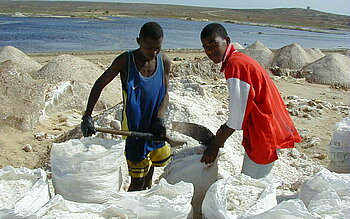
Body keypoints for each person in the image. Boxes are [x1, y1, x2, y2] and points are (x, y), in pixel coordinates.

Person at [199, 23, 302, 179]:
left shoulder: (236, 65)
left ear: (226, 40)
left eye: (214, 44)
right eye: (206, 46)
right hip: (266, 125)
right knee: (256, 182)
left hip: (265, 130)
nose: (210, 50)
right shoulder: (238, 60)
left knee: (251, 183)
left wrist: (214, 145)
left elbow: (236, 118)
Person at [81, 22, 171, 191]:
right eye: (149, 48)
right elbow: (101, 83)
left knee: (150, 170)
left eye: (157, 48)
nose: (153, 53)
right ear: (139, 41)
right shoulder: (126, 60)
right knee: (137, 180)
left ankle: (144, 207)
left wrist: (159, 119)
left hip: (154, 127)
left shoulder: (164, 61)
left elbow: (165, 94)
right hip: (133, 129)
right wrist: (87, 115)